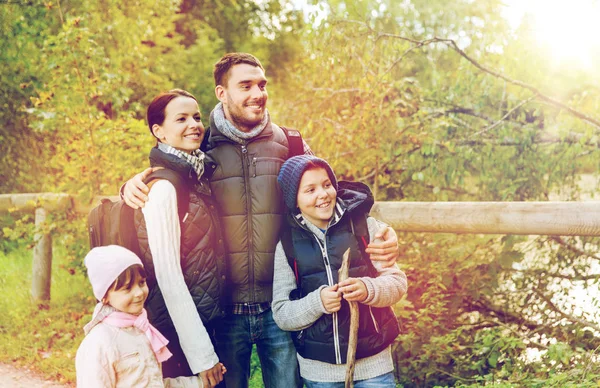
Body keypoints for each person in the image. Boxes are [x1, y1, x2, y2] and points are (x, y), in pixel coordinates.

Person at [122, 53, 400, 388]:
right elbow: (166, 172)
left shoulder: (291, 143)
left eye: (262, 84)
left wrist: (384, 232)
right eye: (246, 85)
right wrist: (131, 185)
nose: (258, 93)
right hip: (223, 311)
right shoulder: (199, 147)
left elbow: (333, 200)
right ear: (222, 93)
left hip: (281, 306)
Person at [272, 155, 408, 387]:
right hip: (320, 374)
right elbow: (282, 313)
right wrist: (318, 302)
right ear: (293, 199)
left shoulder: (365, 227)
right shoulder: (287, 244)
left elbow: (397, 284)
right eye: (310, 190)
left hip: (374, 368)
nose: (323, 194)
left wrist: (369, 289)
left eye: (327, 185)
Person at [135, 89, 227, 387]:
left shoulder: (197, 175)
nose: (195, 125)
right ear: (158, 131)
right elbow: (168, 276)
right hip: (179, 337)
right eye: (182, 118)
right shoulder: (164, 189)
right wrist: (202, 356)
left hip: (207, 323)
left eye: (197, 117)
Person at [75, 245, 204, 387]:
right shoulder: (99, 343)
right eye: (127, 288)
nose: (139, 293)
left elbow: (155, 384)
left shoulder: (143, 330)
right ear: (104, 296)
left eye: (141, 283)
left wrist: (199, 383)